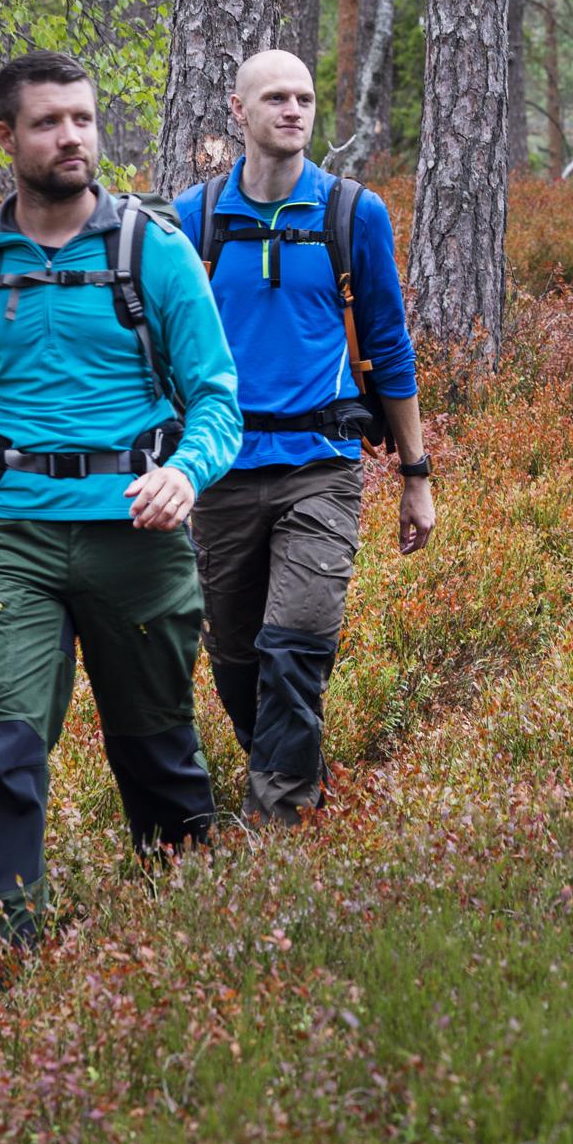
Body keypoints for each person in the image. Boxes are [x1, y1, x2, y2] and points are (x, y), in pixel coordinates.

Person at [0, 51, 242, 956]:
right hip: (14, 537)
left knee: (157, 758)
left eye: (83, 120)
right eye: (49, 122)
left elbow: (218, 396)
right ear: (5, 138)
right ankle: (4, 971)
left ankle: (194, 945)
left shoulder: (154, 250)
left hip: (138, 541)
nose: (71, 137)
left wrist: (186, 472)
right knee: (4, 756)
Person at [175, 48, 434, 821]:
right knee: (235, 664)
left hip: (320, 468)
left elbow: (389, 346)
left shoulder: (353, 213)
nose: (293, 111)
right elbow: (165, 346)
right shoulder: (193, 219)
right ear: (238, 110)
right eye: (276, 98)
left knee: (294, 651)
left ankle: (276, 836)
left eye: (306, 99)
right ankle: (301, 785)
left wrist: (415, 474)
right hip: (217, 471)